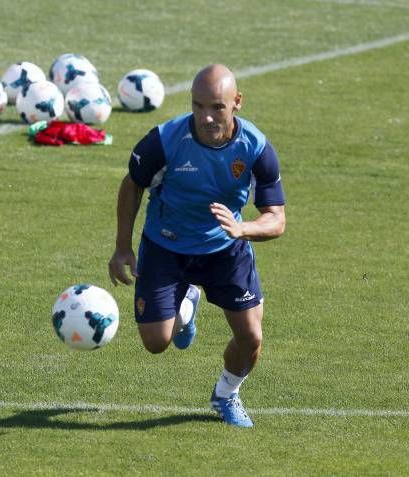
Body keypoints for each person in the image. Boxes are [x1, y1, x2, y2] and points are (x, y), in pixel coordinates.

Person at [108, 64, 286, 428]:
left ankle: (226, 395)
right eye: (198, 106)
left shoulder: (255, 148)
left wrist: (243, 229)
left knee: (251, 336)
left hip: (226, 247)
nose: (206, 117)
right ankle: (187, 304)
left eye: (217, 107)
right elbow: (132, 184)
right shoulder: (165, 141)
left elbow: (277, 218)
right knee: (156, 342)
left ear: (237, 102)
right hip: (166, 246)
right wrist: (122, 246)